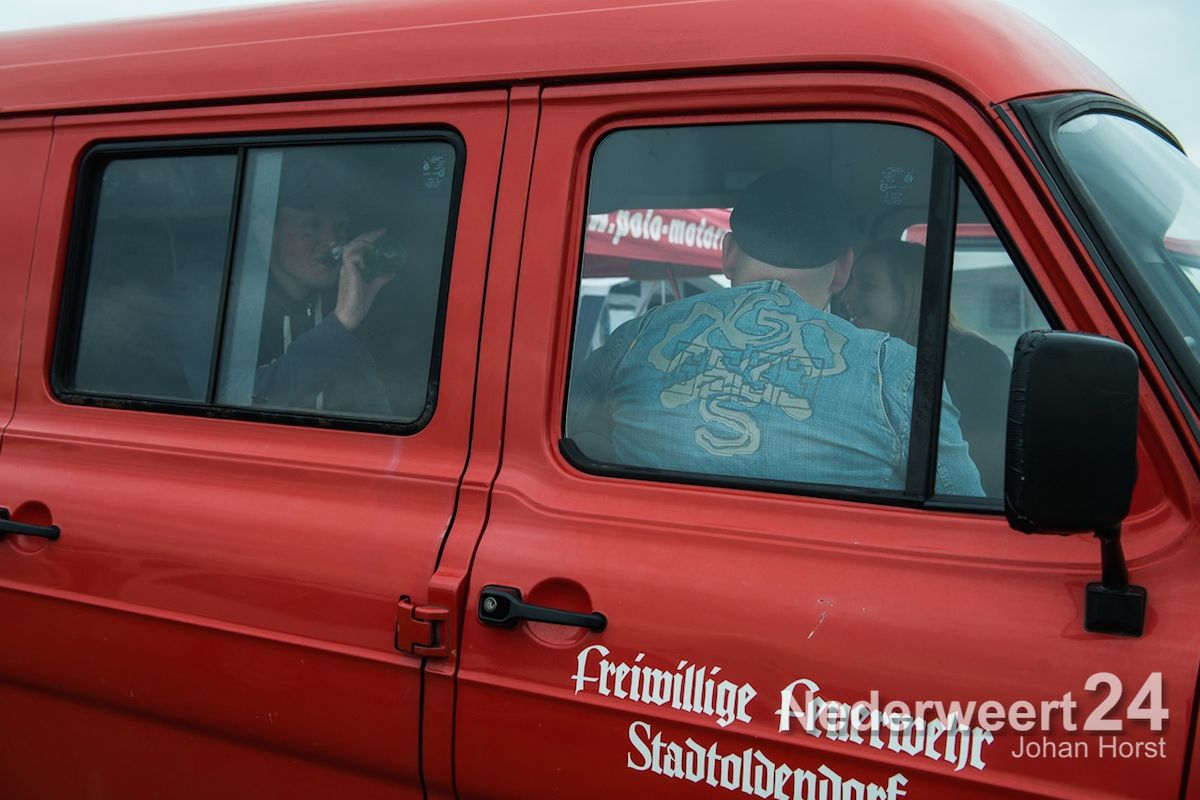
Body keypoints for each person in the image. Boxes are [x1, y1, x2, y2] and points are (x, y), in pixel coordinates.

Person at [568, 170, 983, 496]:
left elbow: (565, 437)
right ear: (843, 269)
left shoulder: (637, 338)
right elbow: (961, 508)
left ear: (728, 254)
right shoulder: (897, 371)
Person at [838, 240, 1010, 496]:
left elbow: (989, 473)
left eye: (867, 285)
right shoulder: (849, 357)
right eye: (850, 283)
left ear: (911, 294)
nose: (846, 296)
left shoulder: (979, 362)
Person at [250, 167, 396, 416]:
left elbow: (376, 414)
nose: (331, 241)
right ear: (267, 232)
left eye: (340, 228)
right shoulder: (229, 315)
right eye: (311, 226)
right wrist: (340, 324)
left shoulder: (340, 306)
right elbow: (249, 405)